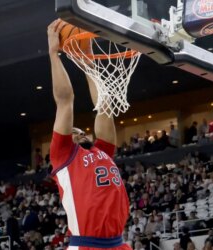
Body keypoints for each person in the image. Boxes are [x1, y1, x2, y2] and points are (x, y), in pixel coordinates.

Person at [48, 19, 130, 250]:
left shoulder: (103, 151)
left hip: (118, 244)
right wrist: (53, 54)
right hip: (86, 245)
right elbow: (65, 102)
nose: (81, 133)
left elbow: (104, 106)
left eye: (83, 132)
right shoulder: (64, 156)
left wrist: (88, 63)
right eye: (75, 132)